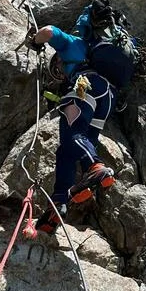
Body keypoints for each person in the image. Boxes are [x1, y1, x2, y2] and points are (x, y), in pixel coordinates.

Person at [24, 14, 118, 235]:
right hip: (108, 98)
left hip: (86, 86)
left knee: (72, 135)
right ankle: (59, 202)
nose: (58, 70)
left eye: (56, 66)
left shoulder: (73, 43)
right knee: (69, 150)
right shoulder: (96, 52)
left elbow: (48, 31)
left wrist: (34, 43)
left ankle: (96, 168)